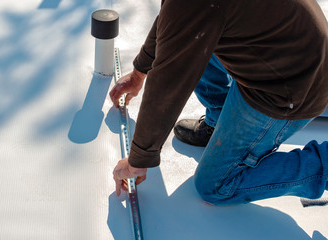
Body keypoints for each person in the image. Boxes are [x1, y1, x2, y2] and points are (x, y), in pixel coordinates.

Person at [110, 0, 328, 205]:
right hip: (282, 50)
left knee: (215, 186)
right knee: (194, 32)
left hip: (292, 88)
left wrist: (138, 160)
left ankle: (323, 165)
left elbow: (169, 81)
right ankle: (219, 121)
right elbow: (176, 23)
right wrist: (139, 73)